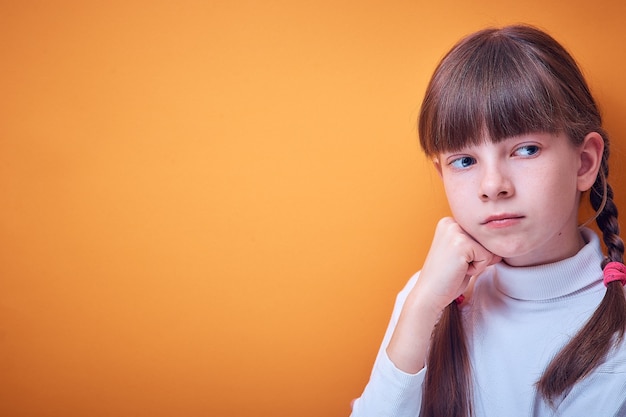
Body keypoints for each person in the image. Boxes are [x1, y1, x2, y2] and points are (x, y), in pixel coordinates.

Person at [350, 25, 626, 417]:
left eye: (526, 150)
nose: (492, 185)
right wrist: (421, 305)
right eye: (464, 161)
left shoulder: (615, 336)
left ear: (584, 162)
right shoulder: (428, 295)